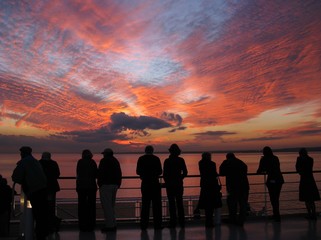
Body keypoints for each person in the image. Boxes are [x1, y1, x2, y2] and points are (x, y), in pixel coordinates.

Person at [11, 146, 49, 240]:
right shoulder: (35, 161)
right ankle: (42, 234)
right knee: (41, 214)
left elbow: (16, 177)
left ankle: (38, 235)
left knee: (37, 213)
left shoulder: (24, 162)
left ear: (23, 153)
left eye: (21, 153)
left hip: (34, 191)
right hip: (43, 189)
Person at [136, 145, 163, 230]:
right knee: (157, 206)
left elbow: (138, 171)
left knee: (145, 205)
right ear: (152, 151)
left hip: (145, 184)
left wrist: (143, 175)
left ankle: (144, 225)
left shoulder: (141, 159)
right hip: (155, 184)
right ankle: (157, 225)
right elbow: (160, 171)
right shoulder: (156, 159)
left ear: (145, 150)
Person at [219, 152, 249, 226]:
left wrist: (224, 164)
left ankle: (233, 219)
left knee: (232, 204)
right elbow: (245, 171)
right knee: (243, 205)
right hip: (244, 186)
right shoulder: (241, 163)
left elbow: (221, 173)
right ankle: (241, 221)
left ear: (227, 157)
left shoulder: (227, 162)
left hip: (233, 187)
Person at [97, 148, 122, 232]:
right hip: (114, 185)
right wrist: (118, 184)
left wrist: (100, 184)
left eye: (104, 153)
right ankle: (113, 224)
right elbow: (119, 172)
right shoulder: (115, 161)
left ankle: (110, 226)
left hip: (106, 185)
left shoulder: (104, 161)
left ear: (106, 154)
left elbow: (100, 173)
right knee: (111, 206)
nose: (103, 155)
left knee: (107, 207)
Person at [256, 146, 284, 222]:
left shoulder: (264, 159)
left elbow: (259, 171)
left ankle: (276, 216)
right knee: (276, 198)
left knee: (273, 198)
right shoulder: (276, 158)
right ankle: (276, 215)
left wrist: (261, 161)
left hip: (272, 181)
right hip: (279, 180)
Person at [163, 144, 188, 228]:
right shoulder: (181, 160)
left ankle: (173, 222)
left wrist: (168, 181)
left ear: (170, 151)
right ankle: (182, 222)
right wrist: (180, 178)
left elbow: (165, 174)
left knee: (171, 204)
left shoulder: (167, 161)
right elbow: (185, 172)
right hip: (178, 184)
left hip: (170, 185)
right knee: (180, 203)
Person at [198, 152, 222, 228]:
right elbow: (214, 174)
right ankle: (210, 222)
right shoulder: (212, 164)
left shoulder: (200, 163)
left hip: (205, 185)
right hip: (212, 186)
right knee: (211, 205)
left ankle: (208, 222)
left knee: (207, 205)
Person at [39, 152, 61, 232]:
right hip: (52, 188)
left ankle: (44, 225)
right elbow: (57, 174)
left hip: (41, 188)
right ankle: (52, 223)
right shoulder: (54, 163)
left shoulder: (39, 163)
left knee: (42, 207)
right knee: (51, 206)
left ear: (42, 156)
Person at [76, 149, 98, 232]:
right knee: (91, 206)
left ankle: (82, 224)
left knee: (81, 206)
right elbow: (96, 174)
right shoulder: (92, 162)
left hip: (81, 187)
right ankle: (91, 224)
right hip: (91, 187)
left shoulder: (80, 162)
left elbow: (78, 174)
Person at [296, 148, 320, 220]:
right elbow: (298, 167)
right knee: (309, 199)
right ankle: (312, 214)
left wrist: (300, 171)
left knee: (308, 199)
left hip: (306, 180)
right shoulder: (309, 159)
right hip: (309, 180)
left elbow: (298, 168)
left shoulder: (305, 159)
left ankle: (311, 214)